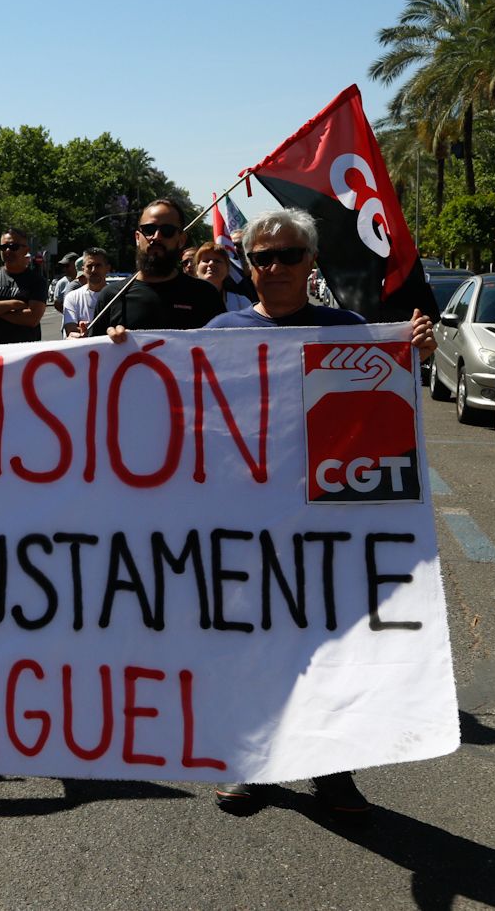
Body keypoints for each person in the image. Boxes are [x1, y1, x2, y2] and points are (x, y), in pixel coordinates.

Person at [205, 208, 435, 820]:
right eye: (261, 258)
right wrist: (119, 354)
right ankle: (245, 760)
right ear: (248, 266)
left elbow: (378, 413)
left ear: (311, 264)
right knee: (246, 645)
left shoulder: (349, 329)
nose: (273, 267)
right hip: (241, 522)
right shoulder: (218, 331)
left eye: (286, 256)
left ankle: (332, 766)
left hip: (326, 521)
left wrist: (412, 352)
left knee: (328, 648)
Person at [76, 199, 223, 338]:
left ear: (181, 239)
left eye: (167, 230)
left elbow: (226, 352)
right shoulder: (111, 296)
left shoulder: (205, 295)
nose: (156, 237)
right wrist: (79, 344)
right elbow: (94, 358)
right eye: (149, 229)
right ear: (137, 237)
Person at [0, 227, 48, 344]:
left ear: (26, 250)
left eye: (13, 246)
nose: (8, 250)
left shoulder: (37, 281)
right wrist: (14, 304)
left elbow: (32, 318)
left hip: (24, 352)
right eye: (3, 247)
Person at [61, 247, 112, 337]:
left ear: (107, 268)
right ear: (83, 269)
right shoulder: (72, 297)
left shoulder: (118, 295)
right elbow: (71, 330)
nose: (93, 270)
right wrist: (78, 334)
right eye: (89, 266)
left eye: (98, 266)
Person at [192, 243, 254, 313]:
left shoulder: (241, 302)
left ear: (227, 270)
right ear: (197, 269)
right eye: (206, 260)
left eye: (217, 261)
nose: (211, 263)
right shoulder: (184, 300)